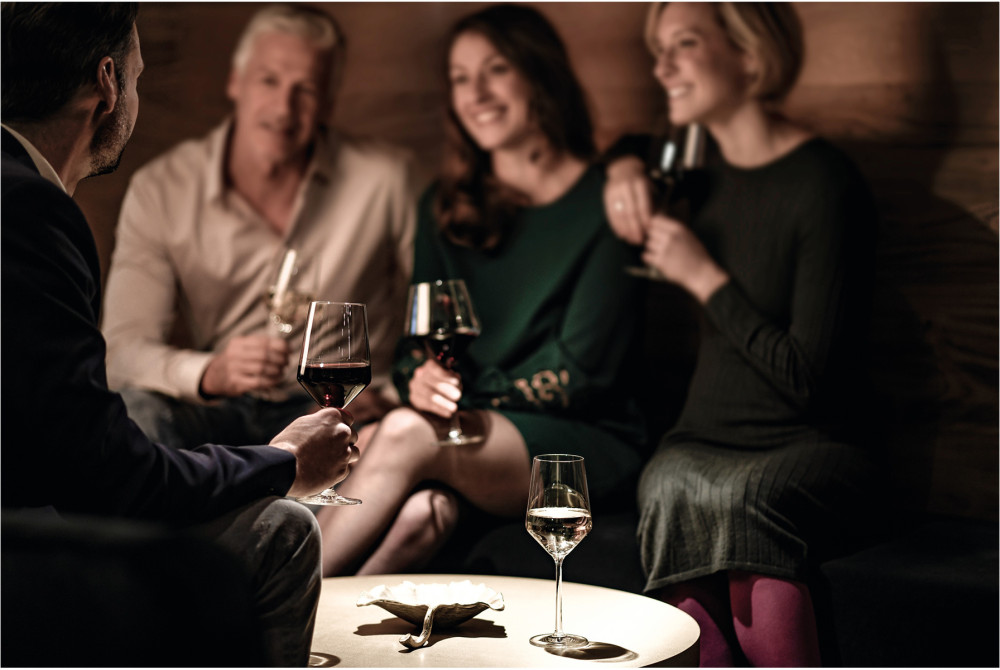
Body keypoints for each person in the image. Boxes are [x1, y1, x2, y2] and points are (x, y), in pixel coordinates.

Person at [0, 4, 359, 665]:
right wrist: (282, 462)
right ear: (108, 83)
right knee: (282, 530)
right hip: (20, 549)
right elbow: (110, 476)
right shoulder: (28, 210)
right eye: (138, 77)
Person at [314, 3, 647, 577]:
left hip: (583, 442)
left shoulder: (607, 204)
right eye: (461, 78)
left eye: (496, 69)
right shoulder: (445, 208)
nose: (477, 93)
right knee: (423, 513)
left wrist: (458, 397)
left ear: (539, 73)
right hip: (474, 435)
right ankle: (312, 629)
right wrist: (421, 380)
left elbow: (580, 375)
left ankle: (264, 601)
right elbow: (415, 349)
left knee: (400, 432)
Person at [603, 3, 880, 666]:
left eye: (684, 44)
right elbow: (631, 145)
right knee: (668, 484)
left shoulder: (823, 184)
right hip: (702, 438)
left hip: (812, 443)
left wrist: (705, 278)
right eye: (658, 48)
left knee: (743, 497)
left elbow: (809, 381)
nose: (661, 67)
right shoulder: (696, 172)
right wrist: (621, 167)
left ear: (750, 55)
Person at [100, 4, 415, 450]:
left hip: (338, 411)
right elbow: (120, 352)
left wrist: (391, 394)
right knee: (134, 415)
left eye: (306, 89)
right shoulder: (162, 188)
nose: (284, 108)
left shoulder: (387, 180)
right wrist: (210, 373)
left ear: (328, 102)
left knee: (387, 441)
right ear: (236, 82)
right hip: (219, 410)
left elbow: (433, 315)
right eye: (269, 80)